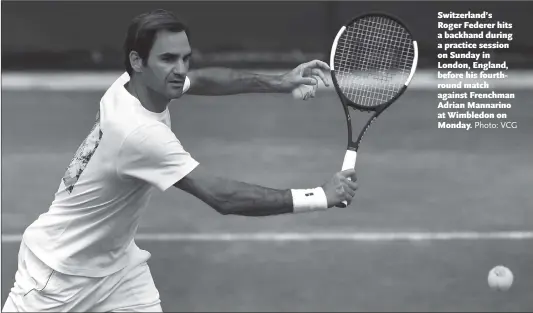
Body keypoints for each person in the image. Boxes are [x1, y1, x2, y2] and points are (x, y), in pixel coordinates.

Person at [3, 9, 358, 312]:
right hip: (57, 276)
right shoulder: (140, 133)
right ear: (137, 62)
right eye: (168, 59)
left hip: (115, 267)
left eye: (184, 58)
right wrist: (320, 196)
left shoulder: (133, 86)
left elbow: (203, 80)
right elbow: (223, 197)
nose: (180, 69)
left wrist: (280, 82)